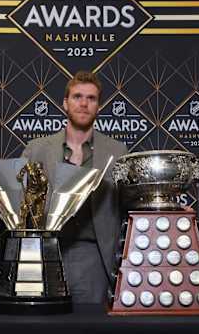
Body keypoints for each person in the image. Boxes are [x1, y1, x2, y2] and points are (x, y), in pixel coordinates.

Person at [22, 71, 127, 304]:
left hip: (94, 256)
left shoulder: (117, 151)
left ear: (99, 106)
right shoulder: (36, 149)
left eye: (91, 98)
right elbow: (18, 199)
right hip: (45, 251)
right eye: (77, 96)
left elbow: (128, 206)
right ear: (65, 103)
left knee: (89, 326)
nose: (83, 103)